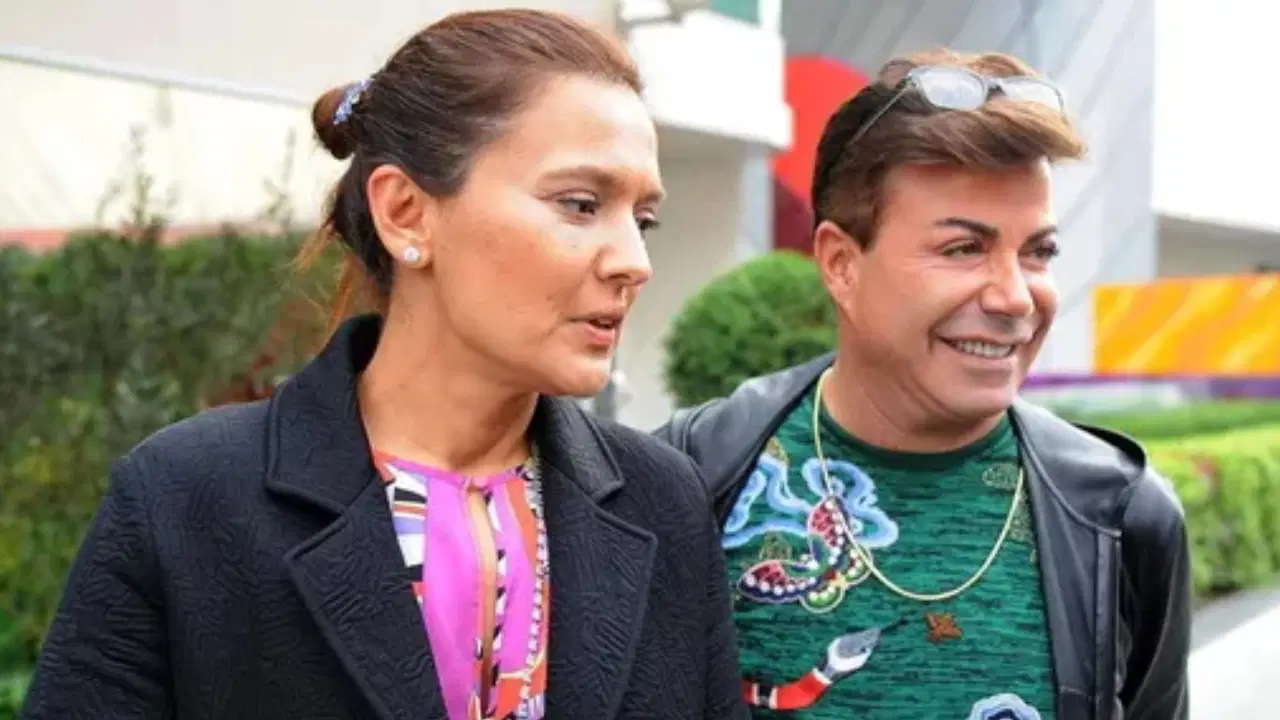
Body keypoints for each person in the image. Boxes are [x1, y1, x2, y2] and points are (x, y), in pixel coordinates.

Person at [22, 10, 747, 720]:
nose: (633, 262)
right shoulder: (186, 498)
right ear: (404, 211)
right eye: (581, 204)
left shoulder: (662, 501)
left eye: (642, 220)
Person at [657, 49, 1191, 720]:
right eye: (963, 248)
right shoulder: (694, 478)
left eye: (1038, 252)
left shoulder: (1122, 516)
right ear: (841, 264)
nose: (1014, 297)